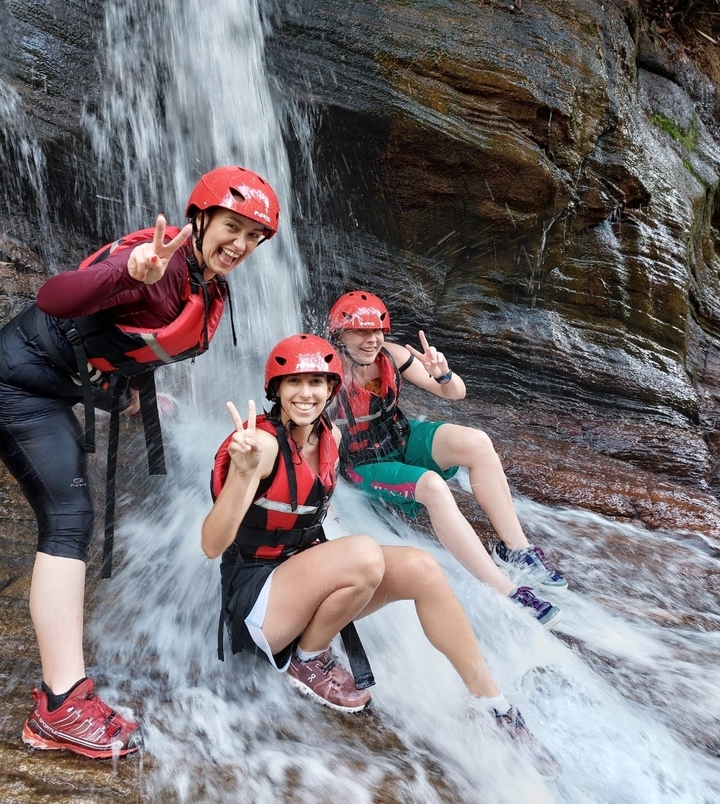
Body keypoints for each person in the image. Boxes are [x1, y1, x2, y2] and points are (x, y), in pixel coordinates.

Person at [0, 165, 280, 760]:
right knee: (69, 519)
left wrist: (128, 396)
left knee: (70, 517)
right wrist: (126, 272)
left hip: (58, 388)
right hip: (19, 384)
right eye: (233, 227)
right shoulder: (153, 260)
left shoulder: (205, 282)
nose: (242, 245)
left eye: (254, 237)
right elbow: (56, 299)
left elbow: (120, 341)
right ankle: (60, 708)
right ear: (200, 218)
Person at [202, 334, 561, 782]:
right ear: (276, 388)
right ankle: (308, 660)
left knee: (421, 569)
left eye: (317, 381)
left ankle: (494, 707)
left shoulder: (328, 437)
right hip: (256, 607)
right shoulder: (263, 445)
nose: (306, 393)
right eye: (295, 382)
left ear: (332, 388)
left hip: (295, 587)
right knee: (366, 555)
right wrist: (241, 474)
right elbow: (212, 545)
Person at [326, 291, 568, 629]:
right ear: (339, 335)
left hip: (401, 438)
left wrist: (442, 373)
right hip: (361, 465)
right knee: (434, 487)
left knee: (478, 442)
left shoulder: (392, 355)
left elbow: (455, 393)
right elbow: (315, 439)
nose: (371, 340)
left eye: (377, 331)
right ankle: (507, 591)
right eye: (360, 332)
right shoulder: (328, 374)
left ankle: (516, 549)